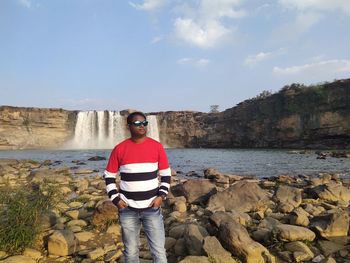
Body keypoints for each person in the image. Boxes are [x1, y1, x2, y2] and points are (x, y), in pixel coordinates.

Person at [104, 111, 170, 263]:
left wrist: (161, 197)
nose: (142, 126)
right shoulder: (120, 149)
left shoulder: (157, 147)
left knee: (159, 251)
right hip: (127, 210)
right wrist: (116, 199)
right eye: (138, 123)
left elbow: (166, 175)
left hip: (152, 208)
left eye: (145, 123)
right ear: (129, 126)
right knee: (131, 251)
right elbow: (109, 175)